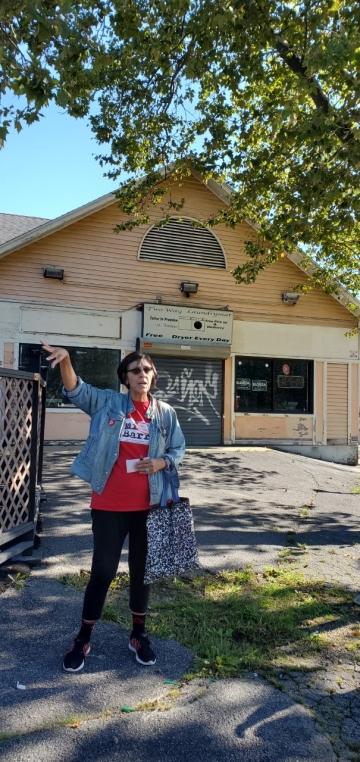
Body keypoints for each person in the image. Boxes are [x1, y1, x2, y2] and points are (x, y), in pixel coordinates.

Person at [41, 343, 186, 672]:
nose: (142, 375)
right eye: (135, 370)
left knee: (141, 573)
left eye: (147, 370)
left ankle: (138, 634)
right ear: (125, 377)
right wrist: (66, 360)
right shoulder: (108, 403)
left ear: (154, 377)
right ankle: (83, 636)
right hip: (108, 506)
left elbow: (178, 449)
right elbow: (75, 389)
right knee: (103, 572)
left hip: (148, 508)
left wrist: (162, 461)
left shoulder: (164, 414)